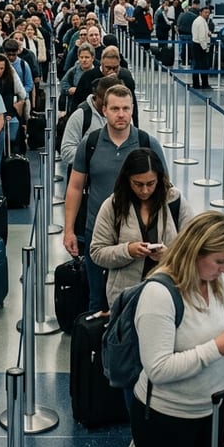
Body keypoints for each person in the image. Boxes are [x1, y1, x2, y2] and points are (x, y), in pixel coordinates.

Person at [130, 211, 224, 447]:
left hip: (211, 408)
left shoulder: (213, 283)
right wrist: (218, 347)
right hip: (167, 418)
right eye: (220, 261)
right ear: (195, 253)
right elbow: (158, 369)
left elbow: (205, 334)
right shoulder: (159, 294)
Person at [63, 84, 166, 314]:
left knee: (140, 302)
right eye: (115, 108)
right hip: (98, 233)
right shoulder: (89, 145)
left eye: (126, 109)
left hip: (140, 234)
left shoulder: (147, 144)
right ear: (104, 110)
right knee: (97, 298)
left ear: (132, 110)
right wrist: (69, 230)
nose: (121, 114)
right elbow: (75, 187)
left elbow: (164, 190)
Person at [90, 147, 186, 306]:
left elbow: (194, 248)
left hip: (169, 294)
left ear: (159, 179)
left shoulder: (175, 202)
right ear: (127, 180)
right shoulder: (113, 206)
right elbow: (97, 251)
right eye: (138, 184)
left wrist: (169, 255)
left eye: (151, 183)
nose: (145, 190)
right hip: (125, 299)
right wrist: (127, 251)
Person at [190, 2, 213, 90]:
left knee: (198, 65)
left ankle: (199, 83)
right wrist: (205, 48)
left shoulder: (200, 20)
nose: (207, 14)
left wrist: (208, 33)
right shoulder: (200, 22)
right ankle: (203, 84)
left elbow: (203, 33)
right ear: (201, 12)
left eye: (208, 13)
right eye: (205, 12)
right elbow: (201, 37)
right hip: (199, 46)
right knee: (202, 66)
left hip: (197, 45)